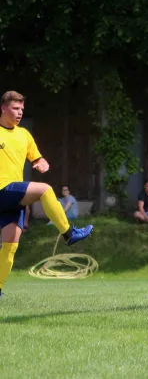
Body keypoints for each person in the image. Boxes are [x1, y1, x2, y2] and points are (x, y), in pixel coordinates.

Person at [0, 91, 93, 297]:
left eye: (22, 109)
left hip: (13, 196)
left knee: (10, 244)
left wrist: (40, 162)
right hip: (2, 189)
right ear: (3, 108)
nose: (19, 113)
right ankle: (69, 234)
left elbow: (37, 158)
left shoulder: (24, 134)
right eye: (15, 108)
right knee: (45, 190)